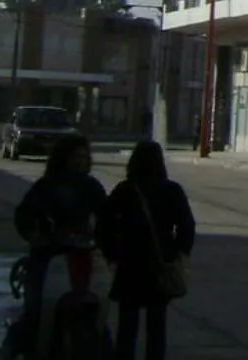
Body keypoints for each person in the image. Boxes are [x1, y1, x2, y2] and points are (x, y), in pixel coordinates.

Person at [97, 141, 194, 360]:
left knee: (127, 325)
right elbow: (187, 225)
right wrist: (179, 252)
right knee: (156, 325)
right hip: (160, 263)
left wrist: (111, 253)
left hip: (129, 263)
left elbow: (104, 225)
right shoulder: (172, 190)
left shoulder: (125, 190)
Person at [12, 134, 107, 355]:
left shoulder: (92, 186)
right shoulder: (47, 186)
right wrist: (35, 235)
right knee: (35, 312)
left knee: (100, 322)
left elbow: (108, 217)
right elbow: (24, 214)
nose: (80, 161)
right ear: (63, 157)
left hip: (83, 256)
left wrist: (106, 242)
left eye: (84, 156)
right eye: (75, 156)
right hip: (49, 256)